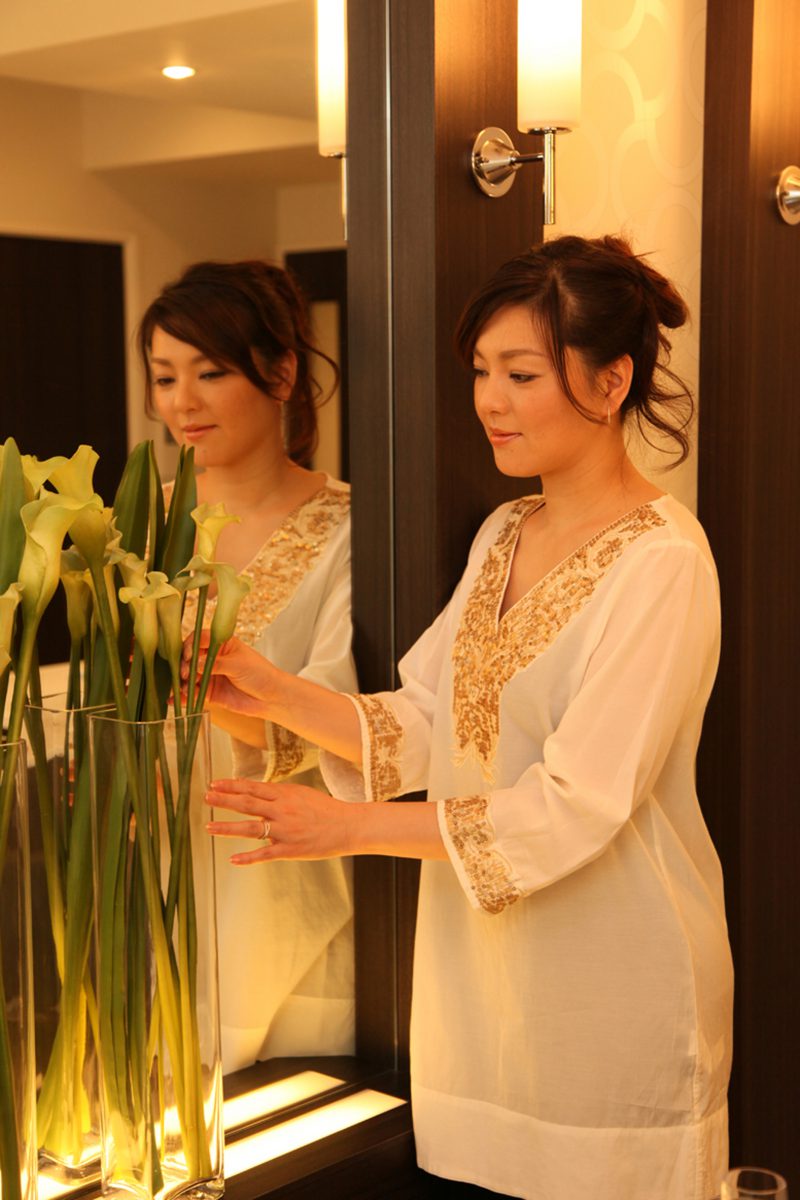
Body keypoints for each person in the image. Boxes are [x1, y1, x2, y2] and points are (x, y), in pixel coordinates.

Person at [191, 235, 733, 1200]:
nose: (489, 400)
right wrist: (270, 692)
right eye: (482, 371)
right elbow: (430, 718)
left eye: (521, 374)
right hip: (479, 1001)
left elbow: (576, 801)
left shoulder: (663, 562)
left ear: (611, 383)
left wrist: (350, 827)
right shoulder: (504, 531)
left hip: (612, 987)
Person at [139, 259, 357, 1073]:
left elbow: (346, 724)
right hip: (153, 876)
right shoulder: (142, 523)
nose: (182, 403)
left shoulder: (349, 529)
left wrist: (205, 693)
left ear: (281, 373)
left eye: (210, 372)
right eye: (165, 377)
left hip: (280, 879)